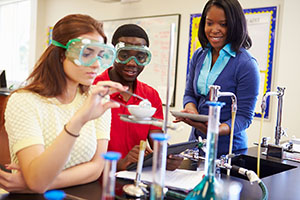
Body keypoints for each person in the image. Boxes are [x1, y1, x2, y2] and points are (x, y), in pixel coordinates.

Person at [0, 14, 127, 193]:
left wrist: (36, 183)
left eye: (100, 55)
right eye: (87, 53)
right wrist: (79, 121)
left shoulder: (98, 98)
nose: (96, 64)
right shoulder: (24, 101)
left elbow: (97, 167)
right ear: (61, 55)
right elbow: (37, 181)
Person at [175, 0, 260, 157]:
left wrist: (218, 129)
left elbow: (244, 117)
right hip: (197, 144)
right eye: (209, 23)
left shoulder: (246, 64)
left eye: (223, 24)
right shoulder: (199, 55)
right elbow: (189, 94)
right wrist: (191, 110)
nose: (215, 30)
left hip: (229, 152)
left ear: (235, 26)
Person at [93, 24, 182, 171]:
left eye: (140, 57)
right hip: (96, 182)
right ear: (113, 53)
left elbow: (157, 142)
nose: (132, 63)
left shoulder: (150, 95)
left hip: (135, 182)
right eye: (124, 55)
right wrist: (119, 164)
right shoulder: (94, 89)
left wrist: (168, 157)